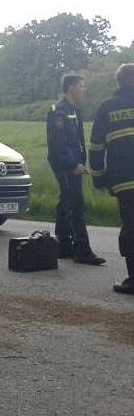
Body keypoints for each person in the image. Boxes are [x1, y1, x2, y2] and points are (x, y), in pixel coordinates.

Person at [46, 74, 104, 265]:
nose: (84, 89)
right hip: (64, 164)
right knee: (76, 203)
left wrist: (80, 161)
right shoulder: (59, 111)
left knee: (66, 201)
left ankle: (63, 246)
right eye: (81, 85)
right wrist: (73, 165)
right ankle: (82, 250)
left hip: (72, 162)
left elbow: (76, 141)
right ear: (71, 87)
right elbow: (60, 143)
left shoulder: (72, 110)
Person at [89, 63, 134, 294]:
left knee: (131, 228)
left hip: (125, 181)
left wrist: (98, 177)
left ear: (118, 82)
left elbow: (96, 147)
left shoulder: (107, 108)